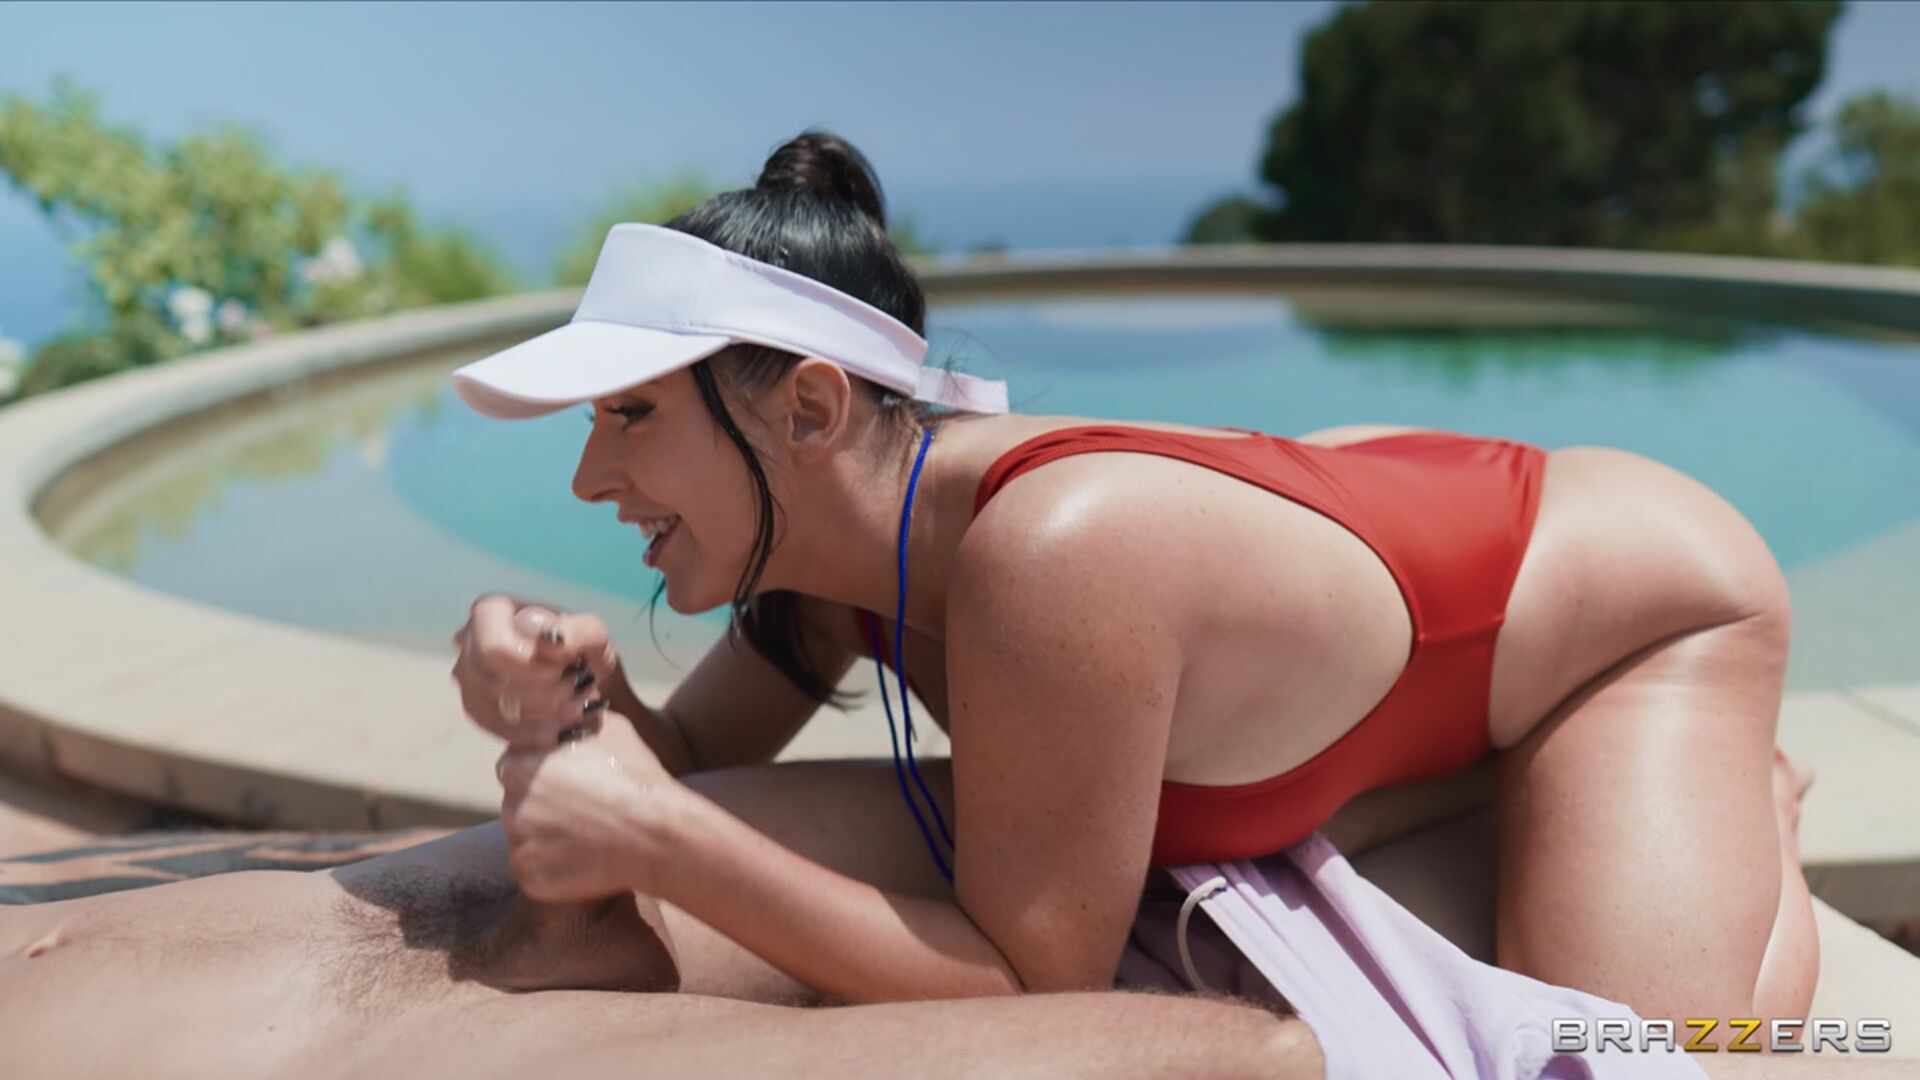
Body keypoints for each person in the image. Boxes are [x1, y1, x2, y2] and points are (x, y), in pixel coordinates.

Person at [435, 128, 1817, 1025]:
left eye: (631, 416)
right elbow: (683, 763)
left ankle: (1755, 803)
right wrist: (574, 683)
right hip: (1388, 551)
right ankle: (1450, 773)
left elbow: (1033, 983)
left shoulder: (1048, 558)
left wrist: (667, 846)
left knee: (1649, 1049)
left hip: (1633, 606)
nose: (590, 478)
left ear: (808, 409)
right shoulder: (839, 554)